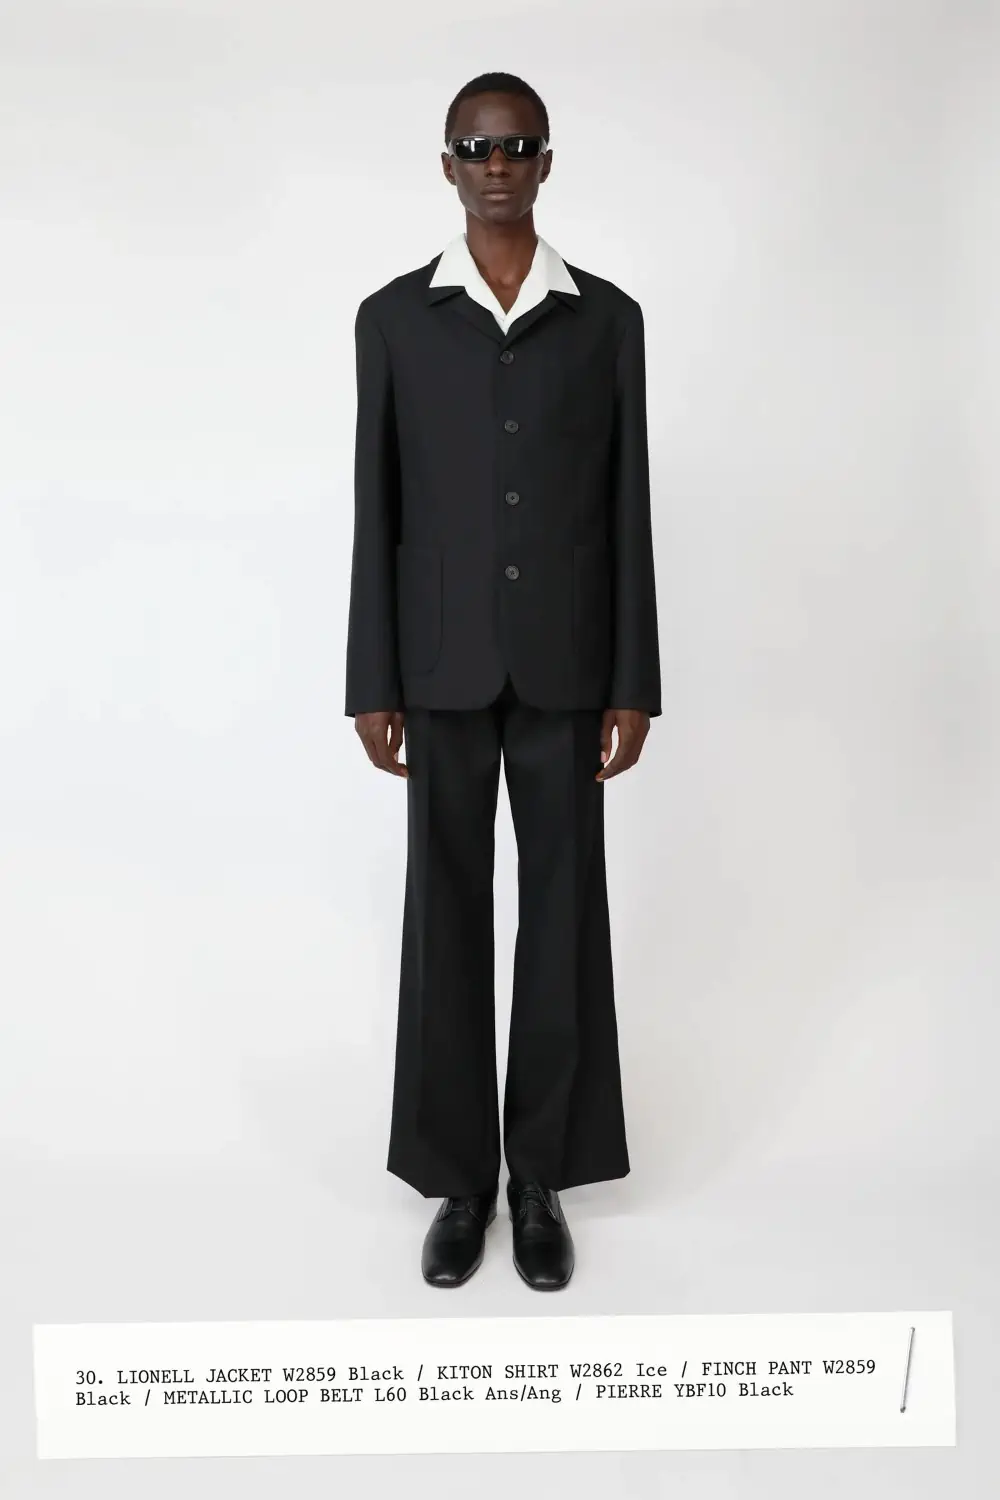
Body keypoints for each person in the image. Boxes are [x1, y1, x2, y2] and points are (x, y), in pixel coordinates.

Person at [345, 71, 661, 1290]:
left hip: (569, 664)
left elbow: (626, 507)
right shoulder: (393, 320)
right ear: (447, 164)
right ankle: (456, 1180)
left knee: (563, 914)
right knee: (445, 913)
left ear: (545, 162)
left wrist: (633, 680)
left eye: (518, 145)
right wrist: (373, 677)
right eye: (477, 147)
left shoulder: (607, 321)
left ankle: (540, 1178)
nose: (497, 165)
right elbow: (377, 509)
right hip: (438, 666)